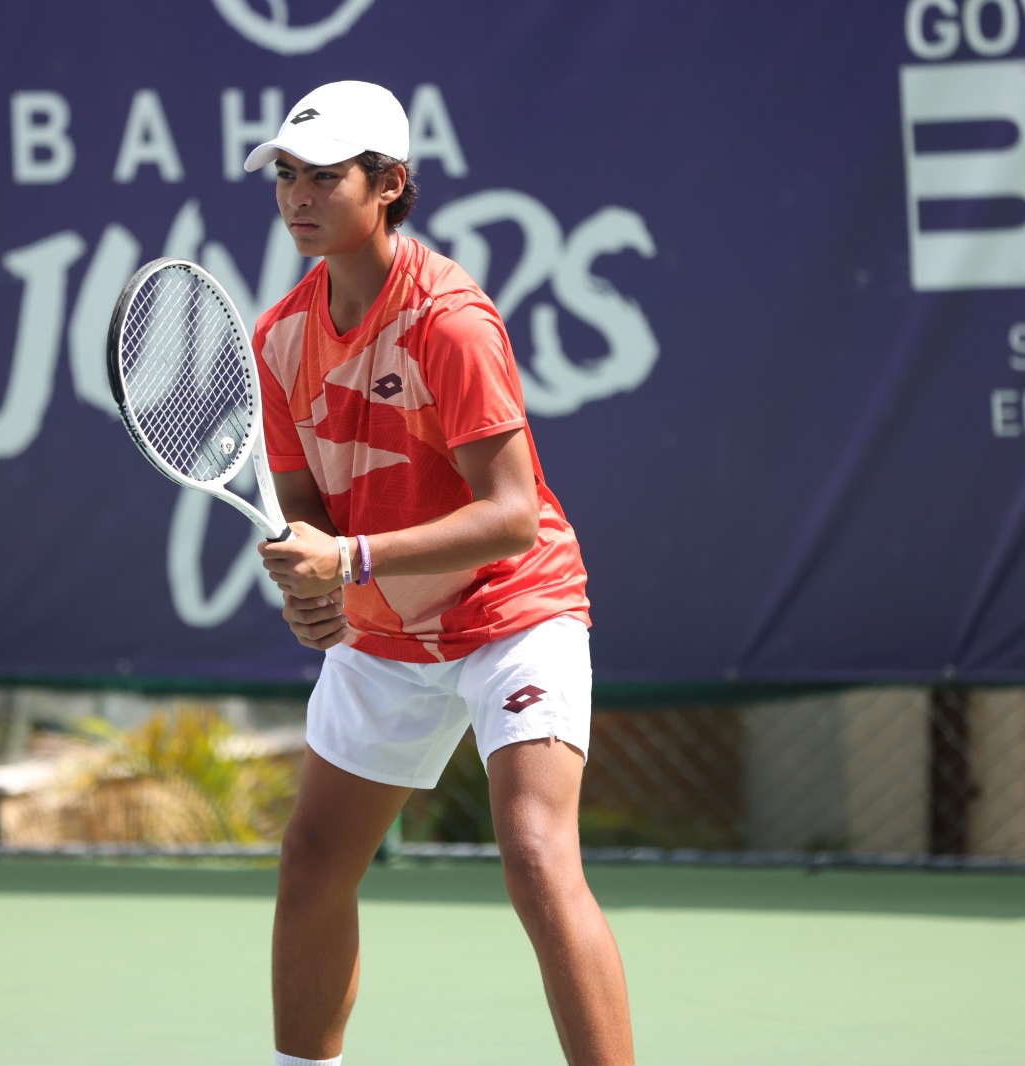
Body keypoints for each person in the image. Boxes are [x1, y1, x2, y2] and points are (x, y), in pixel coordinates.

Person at [243, 81, 633, 1066]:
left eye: (324, 177)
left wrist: (353, 559)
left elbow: (509, 517)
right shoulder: (278, 340)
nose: (297, 195)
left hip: (515, 608)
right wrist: (313, 582)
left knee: (539, 859)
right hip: (388, 631)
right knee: (313, 862)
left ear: (389, 186)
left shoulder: (450, 321)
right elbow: (312, 516)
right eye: (285, 175)